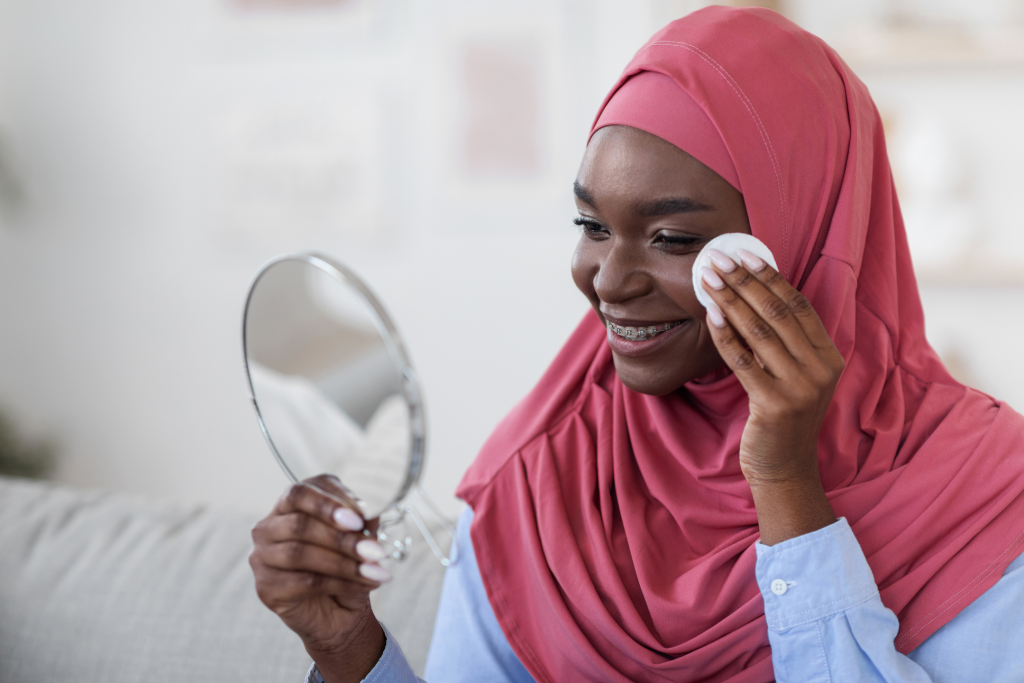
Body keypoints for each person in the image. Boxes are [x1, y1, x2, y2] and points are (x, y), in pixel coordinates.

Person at [247, 7, 1024, 682]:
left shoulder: (990, 495)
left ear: (808, 238)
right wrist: (350, 647)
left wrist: (786, 479)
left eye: (673, 237)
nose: (609, 282)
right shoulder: (540, 477)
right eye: (591, 225)